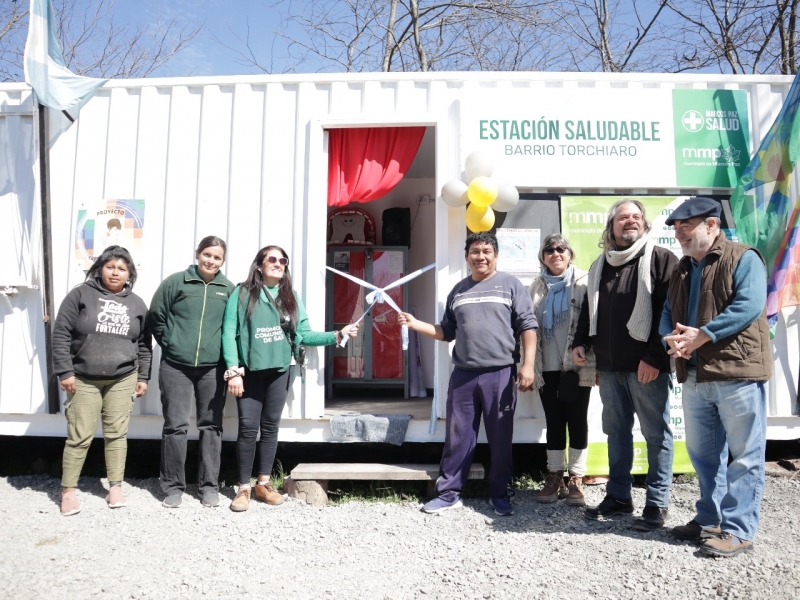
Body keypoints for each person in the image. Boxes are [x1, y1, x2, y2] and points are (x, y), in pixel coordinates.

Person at [660, 197, 772, 557]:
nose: (679, 233)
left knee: (744, 456)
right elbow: (667, 311)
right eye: (675, 228)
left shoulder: (744, 257)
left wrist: (701, 336)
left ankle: (738, 531)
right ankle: (709, 521)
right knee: (704, 457)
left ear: (711, 225)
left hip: (735, 373)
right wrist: (671, 340)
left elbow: (749, 304)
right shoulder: (680, 269)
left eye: (685, 226)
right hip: (694, 375)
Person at [399, 231, 538, 517]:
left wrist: (527, 365)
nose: (481, 256)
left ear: (496, 255)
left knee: (501, 437)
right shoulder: (459, 290)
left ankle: (499, 493)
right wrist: (416, 324)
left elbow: (528, 326)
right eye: (475, 251)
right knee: (458, 436)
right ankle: (449, 493)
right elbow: (446, 332)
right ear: (466, 257)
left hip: (500, 374)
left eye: (487, 251)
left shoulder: (510, 285)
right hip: (463, 375)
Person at [222, 245, 358, 512]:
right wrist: (233, 371)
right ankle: (243, 488)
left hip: (281, 371)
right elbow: (229, 332)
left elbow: (304, 334)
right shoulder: (241, 293)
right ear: (259, 265)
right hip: (249, 372)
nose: (278, 263)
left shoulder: (291, 297)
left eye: (282, 260)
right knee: (248, 429)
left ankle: (263, 485)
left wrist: (337, 335)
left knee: (270, 427)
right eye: (271, 259)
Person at [571, 199, 677, 531]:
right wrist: (580, 342)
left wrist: (654, 357)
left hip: (647, 367)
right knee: (616, 433)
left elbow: (668, 313)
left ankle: (657, 504)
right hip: (610, 367)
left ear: (644, 224)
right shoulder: (600, 265)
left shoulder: (661, 260)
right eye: (622, 218)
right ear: (611, 227)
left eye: (635, 217)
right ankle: (619, 497)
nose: (629, 222)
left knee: (656, 434)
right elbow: (590, 308)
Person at [52, 245, 152, 516]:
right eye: (110, 267)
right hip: (82, 378)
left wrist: (142, 376)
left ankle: (115, 486)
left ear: (129, 272)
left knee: (116, 435)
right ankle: (68, 490)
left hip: (123, 378)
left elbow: (144, 344)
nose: (115, 272)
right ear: (100, 268)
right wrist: (65, 372)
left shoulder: (137, 303)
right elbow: (60, 333)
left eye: (121, 268)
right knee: (79, 436)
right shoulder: (80, 294)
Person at [148, 236, 234, 509]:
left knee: (211, 427)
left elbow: (232, 327)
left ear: (223, 261)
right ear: (197, 254)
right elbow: (156, 317)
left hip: (212, 368)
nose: (211, 260)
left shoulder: (228, 289)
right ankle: (173, 487)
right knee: (176, 427)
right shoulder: (176, 282)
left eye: (217, 257)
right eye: (207, 254)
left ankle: (208, 486)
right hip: (176, 366)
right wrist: (173, 344)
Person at [528, 234, 596, 506]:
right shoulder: (536, 286)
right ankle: (554, 475)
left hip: (577, 365)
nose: (555, 253)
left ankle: (576, 479)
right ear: (543, 256)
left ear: (570, 254)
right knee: (554, 421)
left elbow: (593, 321)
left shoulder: (584, 283)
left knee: (578, 419)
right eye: (549, 250)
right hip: (547, 367)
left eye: (561, 249)